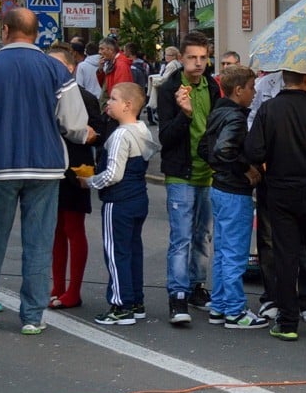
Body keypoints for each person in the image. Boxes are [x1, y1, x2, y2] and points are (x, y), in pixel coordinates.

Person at [0, 8, 93, 335]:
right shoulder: (55, 70)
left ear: (4, 31)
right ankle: (32, 316)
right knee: (39, 242)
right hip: (45, 168)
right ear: (35, 33)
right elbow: (74, 125)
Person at [244, 70, 306, 341]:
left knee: (285, 255)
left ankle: (287, 322)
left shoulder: (268, 109)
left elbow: (253, 150)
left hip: (280, 189)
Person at [82, 82, 159, 326]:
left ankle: (120, 305)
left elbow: (113, 174)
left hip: (119, 201)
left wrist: (90, 181)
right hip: (139, 197)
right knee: (133, 250)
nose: (108, 102)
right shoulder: (142, 130)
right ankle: (136, 301)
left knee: (116, 254)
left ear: (127, 105)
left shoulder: (119, 136)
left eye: (113, 99)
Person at [197, 64, 266, 329]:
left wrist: (220, 165)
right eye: (251, 88)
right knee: (235, 253)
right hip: (235, 190)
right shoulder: (236, 118)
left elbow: (206, 148)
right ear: (238, 90)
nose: (254, 93)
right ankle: (235, 310)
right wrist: (245, 168)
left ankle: (221, 305)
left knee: (224, 251)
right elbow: (223, 151)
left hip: (220, 187)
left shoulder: (219, 112)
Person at [157, 30, 218, 324]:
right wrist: (184, 113)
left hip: (208, 173)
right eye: (192, 58)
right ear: (181, 59)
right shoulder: (169, 88)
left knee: (203, 236)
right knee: (181, 238)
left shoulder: (213, 87)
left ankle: (196, 286)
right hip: (181, 174)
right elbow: (166, 138)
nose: (198, 63)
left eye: (203, 58)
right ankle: (177, 295)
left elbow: (219, 127)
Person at [47, 43, 103, 310]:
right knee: (54, 231)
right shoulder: (42, 93)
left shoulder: (84, 97)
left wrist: (92, 134)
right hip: (48, 169)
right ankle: (57, 285)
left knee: (73, 228)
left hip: (76, 169)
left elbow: (98, 133)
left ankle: (73, 290)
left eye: (58, 65)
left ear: (71, 67)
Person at [98, 36, 133, 103]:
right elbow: (105, 86)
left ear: (111, 50)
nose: (99, 52)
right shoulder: (113, 62)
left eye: (102, 49)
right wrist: (100, 69)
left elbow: (121, 92)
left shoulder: (120, 65)